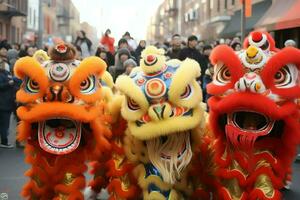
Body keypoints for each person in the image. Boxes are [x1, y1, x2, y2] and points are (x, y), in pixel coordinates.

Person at [0, 58, 16, 148]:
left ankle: (4, 140)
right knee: (4, 124)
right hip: (3, 102)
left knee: (5, 124)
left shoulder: (7, 73)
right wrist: (9, 83)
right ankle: (4, 141)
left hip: (7, 102)